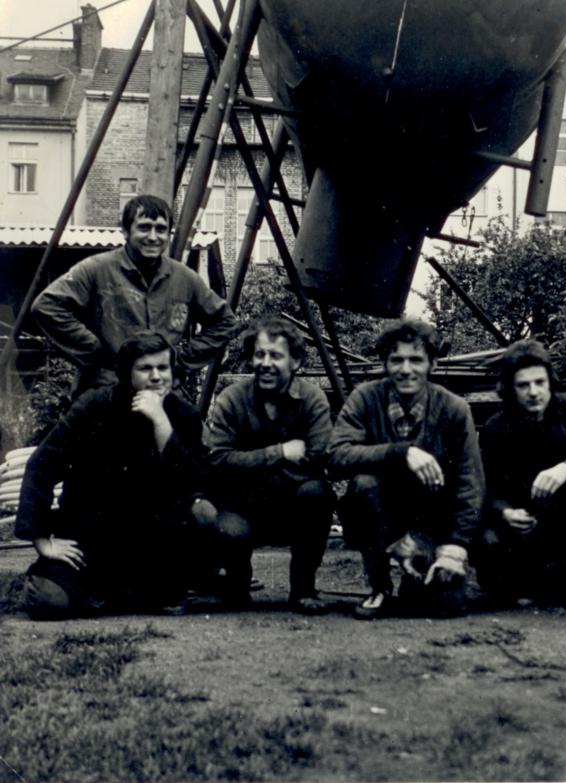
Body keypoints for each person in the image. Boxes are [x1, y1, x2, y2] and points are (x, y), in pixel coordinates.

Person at [15, 330, 235, 619]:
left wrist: (161, 423)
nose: (156, 376)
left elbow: (195, 482)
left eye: (162, 367)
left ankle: (158, 586)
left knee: (203, 512)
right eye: (145, 369)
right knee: (48, 601)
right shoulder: (93, 406)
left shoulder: (184, 415)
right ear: (127, 373)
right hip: (91, 536)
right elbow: (41, 465)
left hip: (153, 539)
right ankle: (106, 591)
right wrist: (42, 541)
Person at [327, 319, 485, 620]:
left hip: (432, 521)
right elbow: (335, 456)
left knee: (444, 606)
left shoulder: (454, 408)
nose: (406, 369)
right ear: (385, 363)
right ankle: (379, 586)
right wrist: (401, 452)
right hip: (382, 517)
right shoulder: (365, 397)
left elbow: (470, 483)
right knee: (364, 484)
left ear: (432, 364)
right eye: (396, 360)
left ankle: (422, 568)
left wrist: (455, 547)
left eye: (416, 360)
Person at [31, 194, 237, 394]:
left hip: (162, 393)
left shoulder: (184, 278)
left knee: (184, 427)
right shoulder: (97, 269)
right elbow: (47, 306)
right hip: (106, 390)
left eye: (161, 230)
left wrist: (181, 361)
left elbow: (225, 322)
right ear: (126, 231)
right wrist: (93, 348)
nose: (153, 237)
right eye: (144, 227)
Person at [203, 315, 335, 615]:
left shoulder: (312, 399)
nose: (265, 363)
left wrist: (248, 464)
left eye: (276, 355)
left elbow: (319, 456)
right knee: (229, 530)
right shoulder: (232, 398)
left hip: (292, 505)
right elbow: (217, 460)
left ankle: (303, 589)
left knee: (318, 493)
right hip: (242, 506)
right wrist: (280, 453)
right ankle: (237, 585)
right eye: (259, 354)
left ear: (295, 362)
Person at [474, 339, 566, 607]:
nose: (533, 392)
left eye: (540, 382)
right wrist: (505, 512)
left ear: (550, 381)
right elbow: (487, 485)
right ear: (510, 389)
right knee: (494, 560)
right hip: (523, 524)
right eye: (523, 385)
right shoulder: (495, 427)